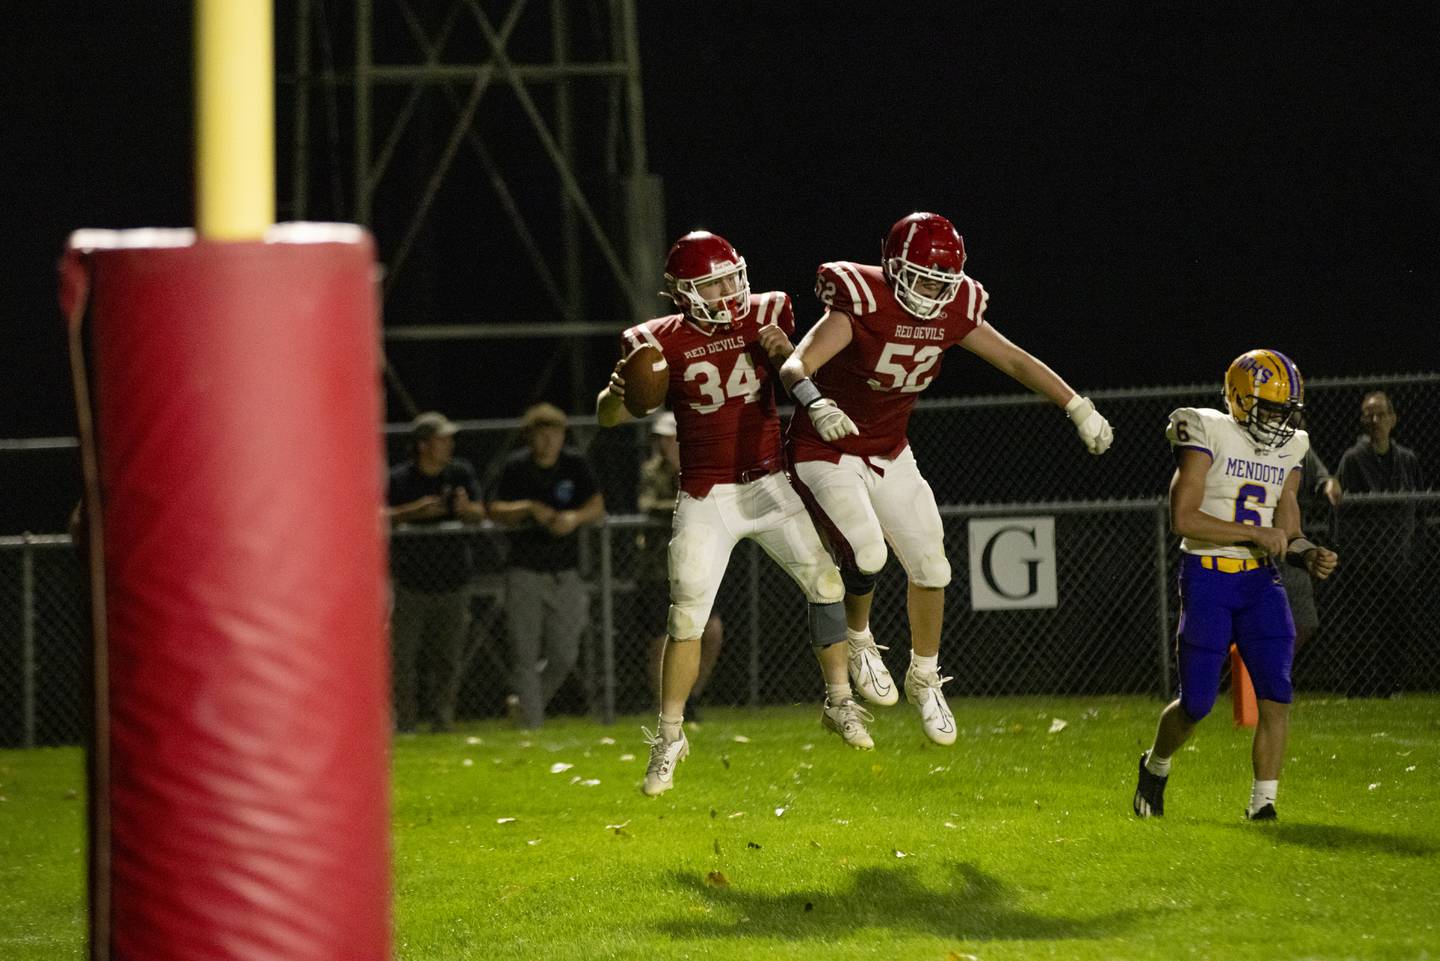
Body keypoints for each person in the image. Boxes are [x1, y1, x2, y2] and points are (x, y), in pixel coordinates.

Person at [778, 212, 1114, 745]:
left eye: (943, 280)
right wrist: (816, 404)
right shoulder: (862, 298)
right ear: (893, 266)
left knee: (933, 565)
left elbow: (1013, 360)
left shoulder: (955, 307)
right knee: (868, 555)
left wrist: (1075, 403)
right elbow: (794, 365)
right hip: (828, 448)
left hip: (889, 449)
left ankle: (925, 675)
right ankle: (860, 637)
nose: (933, 290)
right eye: (924, 276)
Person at [596, 229, 871, 797]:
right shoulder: (653, 342)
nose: (728, 290)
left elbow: (797, 371)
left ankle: (840, 701)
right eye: (713, 283)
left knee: (826, 581)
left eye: (731, 277)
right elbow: (609, 416)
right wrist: (618, 393)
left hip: (769, 482)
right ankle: (670, 736)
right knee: (686, 616)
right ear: (683, 293)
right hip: (706, 495)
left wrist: (782, 354)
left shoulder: (768, 312)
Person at [1133, 349, 1338, 821]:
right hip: (1206, 576)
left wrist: (1308, 553)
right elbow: (1183, 518)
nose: (1279, 421)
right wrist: (1254, 533)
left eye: (1286, 411)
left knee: (1276, 691)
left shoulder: (1291, 447)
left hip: (1260, 583)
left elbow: (1287, 518)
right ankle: (1156, 765)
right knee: (1198, 703)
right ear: (1240, 399)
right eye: (1270, 408)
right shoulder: (1206, 429)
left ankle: (1262, 805)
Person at [486, 403, 605, 730]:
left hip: (565, 572)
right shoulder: (516, 468)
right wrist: (529, 509)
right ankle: (532, 728)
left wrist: (574, 518)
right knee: (523, 653)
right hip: (524, 571)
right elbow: (493, 509)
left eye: (555, 433)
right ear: (531, 437)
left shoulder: (575, 464)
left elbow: (597, 504)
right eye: (542, 434)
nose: (549, 440)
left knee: (565, 654)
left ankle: (524, 703)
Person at [387, 411, 486, 733]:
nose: (449, 444)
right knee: (404, 658)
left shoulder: (460, 472)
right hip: (411, 583)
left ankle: (443, 720)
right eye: (442, 439)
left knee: (447, 659)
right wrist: (414, 512)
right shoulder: (401, 479)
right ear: (423, 445)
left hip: (453, 579)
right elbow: (378, 514)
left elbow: (479, 513)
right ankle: (406, 723)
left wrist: (464, 509)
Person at [1333, 390, 1426, 694]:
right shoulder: (1354, 460)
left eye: (1380, 414)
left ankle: (1393, 686)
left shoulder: (1406, 460)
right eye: (1368, 414)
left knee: (1397, 627)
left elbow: (1420, 510)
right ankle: (1359, 688)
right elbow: (1343, 516)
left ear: (1393, 419)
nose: (1374, 420)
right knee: (1361, 629)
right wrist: (1353, 556)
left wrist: (1415, 552)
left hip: (1398, 559)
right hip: (1365, 563)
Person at [636, 412, 724, 720]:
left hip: (696, 565)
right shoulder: (651, 470)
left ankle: (692, 699)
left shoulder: (699, 467)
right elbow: (648, 506)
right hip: (659, 567)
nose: (665, 443)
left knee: (710, 631)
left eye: (670, 437)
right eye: (661, 438)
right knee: (663, 639)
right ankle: (666, 706)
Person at [1280, 424, 1342, 654]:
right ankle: (1247, 671)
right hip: (1253, 544)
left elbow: (1323, 478)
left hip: (1291, 541)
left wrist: (1328, 484)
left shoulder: (1298, 444)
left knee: (1304, 620)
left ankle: (1272, 668)